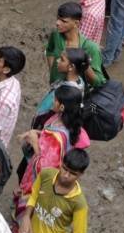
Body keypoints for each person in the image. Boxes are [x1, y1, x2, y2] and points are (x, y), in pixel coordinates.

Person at [14, 84, 89, 218]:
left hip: (37, 175)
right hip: (34, 164)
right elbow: (46, 132)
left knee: (27, 211)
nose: (51, 102)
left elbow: (45, 169)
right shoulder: (57, 118)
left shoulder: (59, 138)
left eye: (54, 100)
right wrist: (33, 133)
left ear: (62, 107)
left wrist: (35, 144)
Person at [45, 1, 106, 89]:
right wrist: (53, 71)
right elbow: (50, 50)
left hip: (75, 96)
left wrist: (84, 63)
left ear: (76, 23)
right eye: (57, 18)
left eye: (63, 21)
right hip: (56, 88)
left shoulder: (91, 48)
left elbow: (97, 82)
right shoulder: (56, 34)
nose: (57, 23)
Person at [37, 47, 89, 115]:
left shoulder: (69, 93)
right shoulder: (78, 80)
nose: (57, 60)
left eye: (62, 59)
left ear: (71, 67)